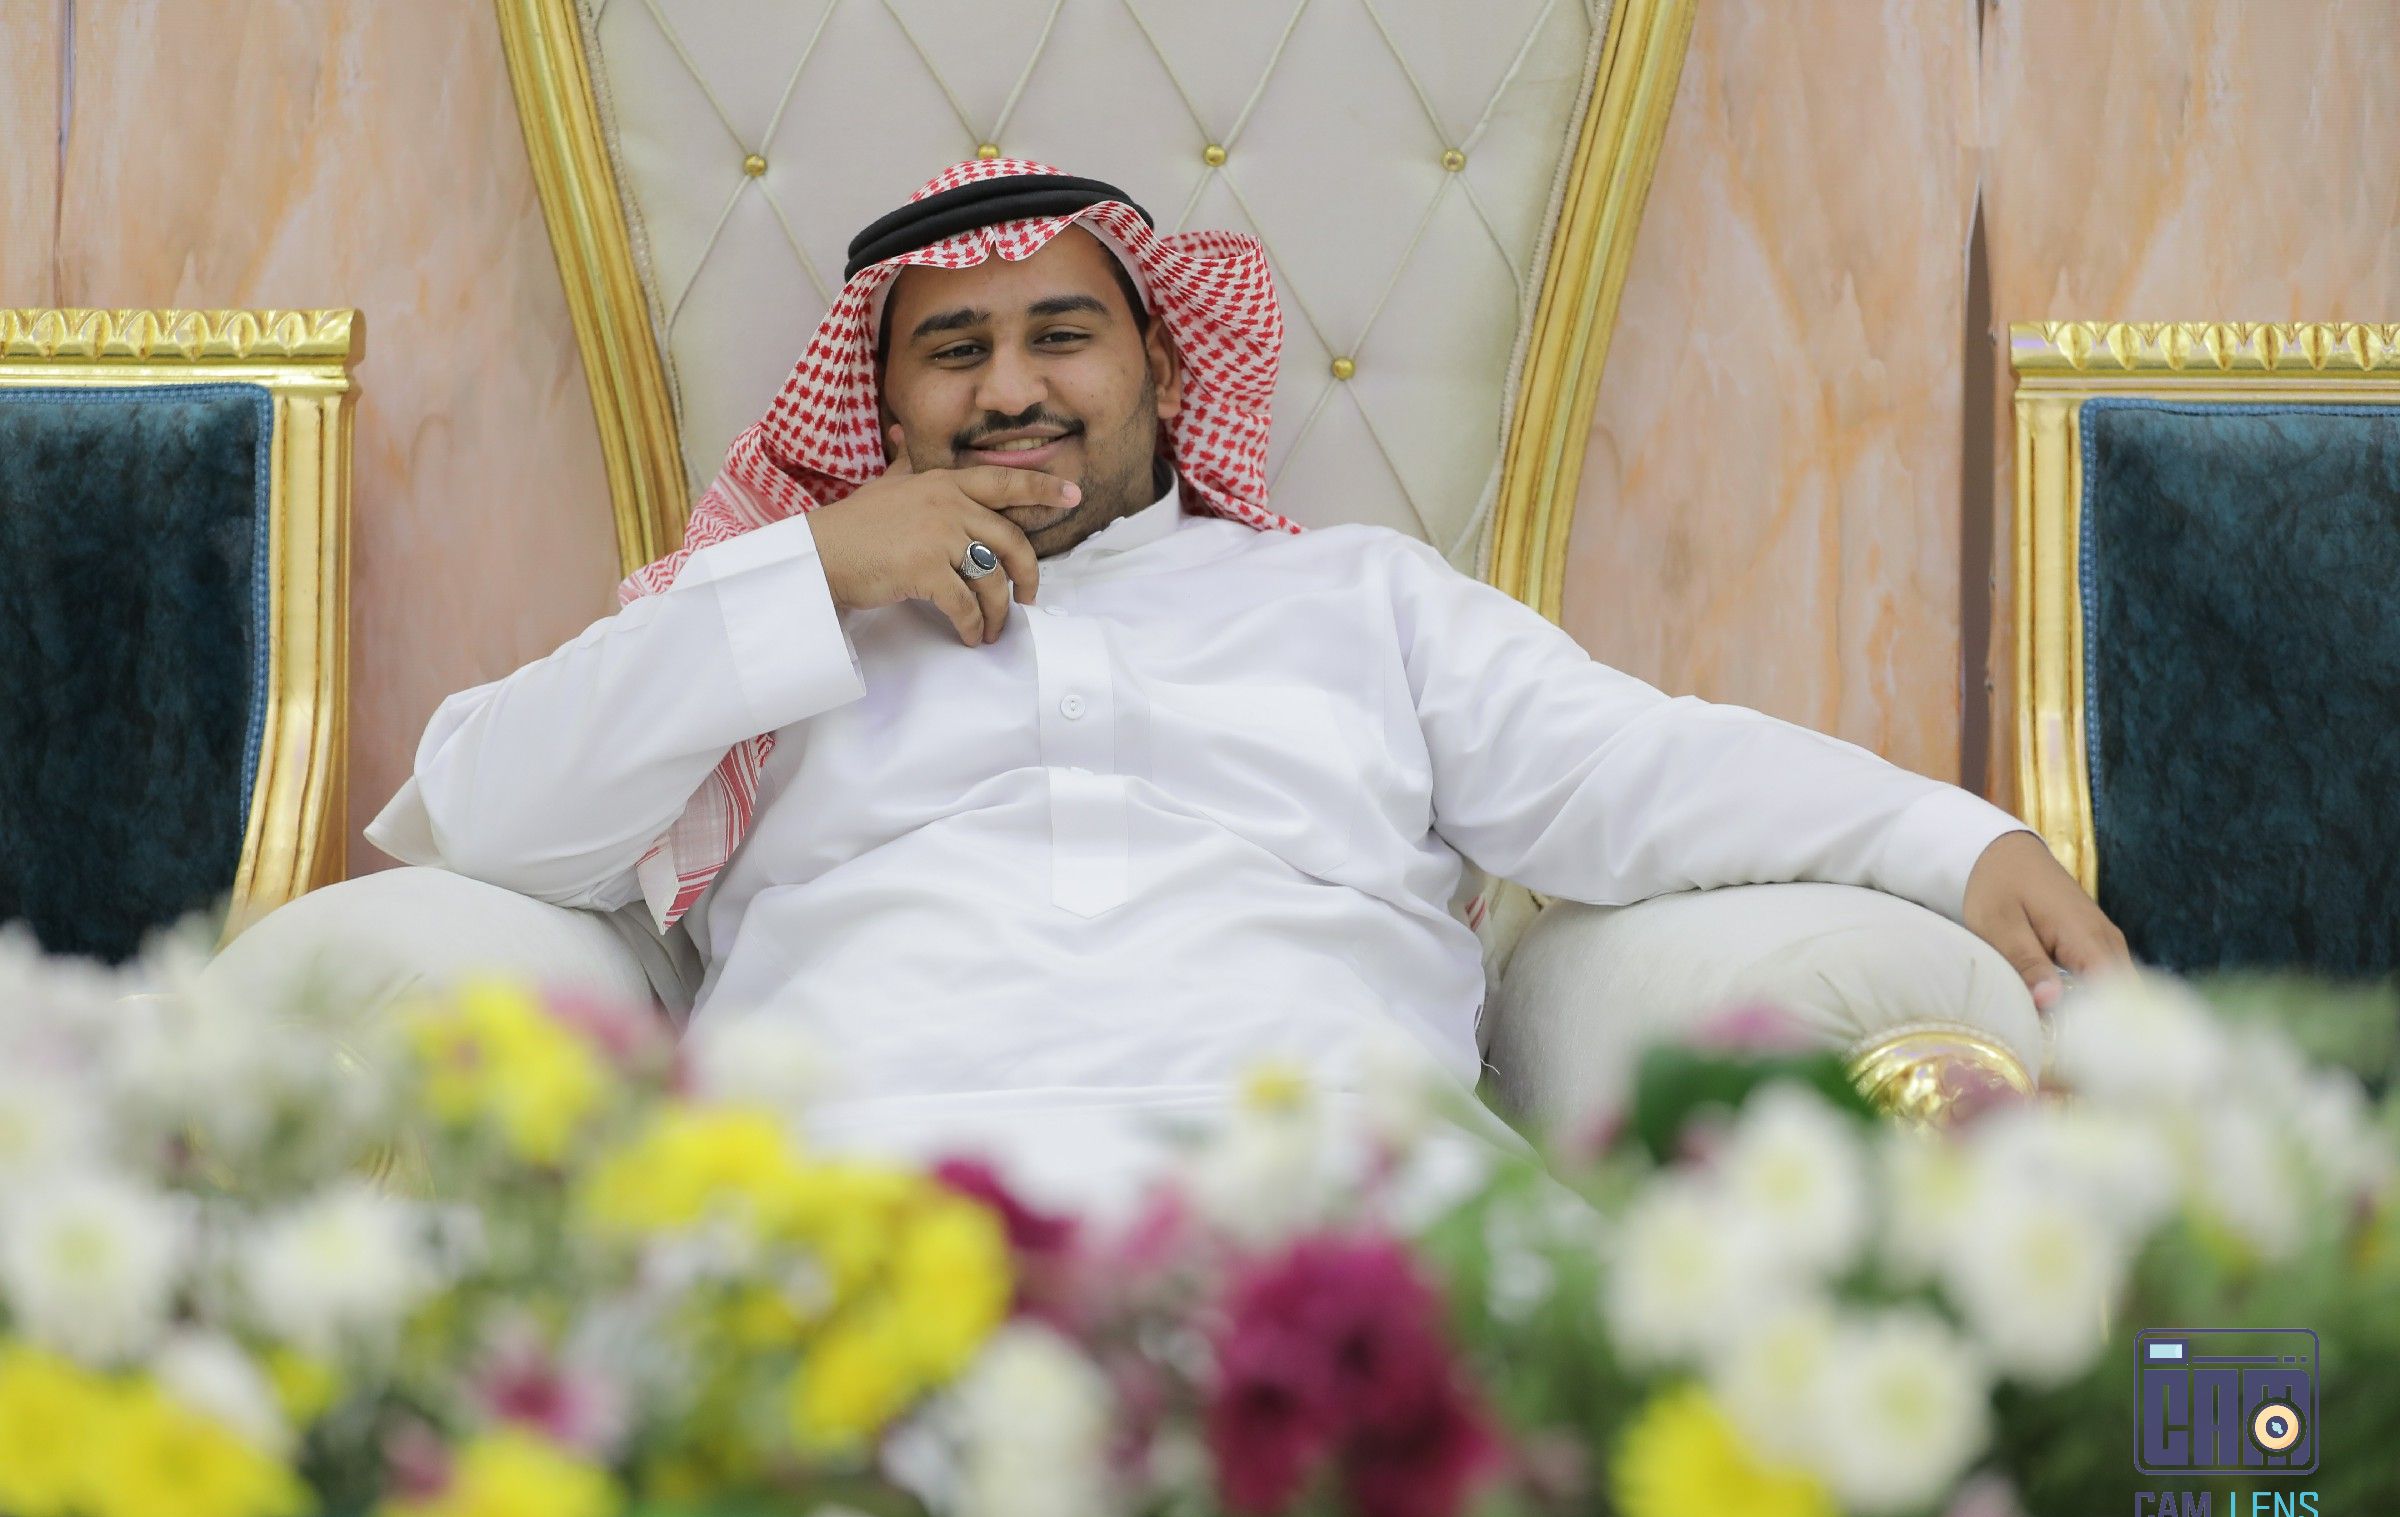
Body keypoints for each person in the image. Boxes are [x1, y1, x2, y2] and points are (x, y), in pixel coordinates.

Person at [365, 161, 2129, 1200]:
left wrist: (1948, 840)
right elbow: (486, 817)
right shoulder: (756, 624)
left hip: (1338, 1196)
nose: (1011, 389)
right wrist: (813, 572)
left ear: (1160, 362)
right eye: (953, 351)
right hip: (848, 1185)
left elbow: (1635, 775)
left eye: (1063, 335)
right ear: (880, 408)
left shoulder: (1356, 598)